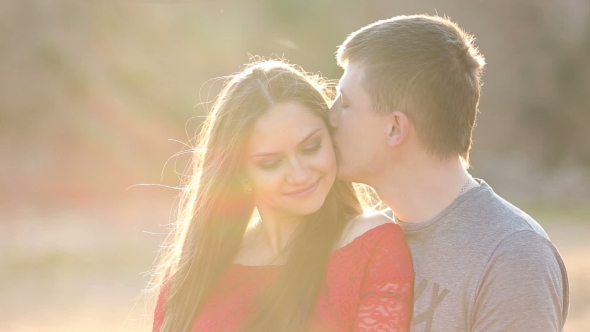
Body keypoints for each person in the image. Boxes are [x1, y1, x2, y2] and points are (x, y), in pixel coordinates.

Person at [329, 14, 569, 332]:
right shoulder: (367, 240)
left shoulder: (513, 257)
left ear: (394, 128)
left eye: (344, 103)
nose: (329, 116)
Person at [150, 60, 414, 332]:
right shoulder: (194, 269)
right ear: (239, 172)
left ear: (331, 136)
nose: (299, 175)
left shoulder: (372, 242)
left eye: (311, 147)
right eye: (271, 163)